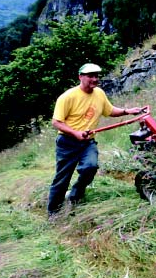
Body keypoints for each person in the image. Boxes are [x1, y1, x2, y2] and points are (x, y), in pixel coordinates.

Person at [47, 63, 143, 217]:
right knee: (62, 179)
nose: (94, 79)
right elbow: (56, 122)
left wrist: (127, 111)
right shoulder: (67, 97)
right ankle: (53, 213)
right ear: (80, 77)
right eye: (90, 75)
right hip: (67, 142)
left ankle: (75, 195)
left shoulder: (99, 93)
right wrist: (75, 133)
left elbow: (109, 110)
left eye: (96, 75)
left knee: (90, 167)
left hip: (87, 142)